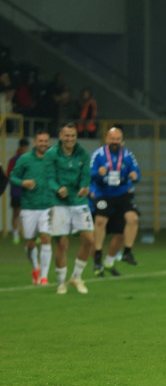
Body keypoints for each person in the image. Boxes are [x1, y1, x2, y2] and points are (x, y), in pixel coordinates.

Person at [43, 123, 93, 295]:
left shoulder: (83, 154)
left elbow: (86, 174)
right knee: (62, 243)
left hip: (79, 201)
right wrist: (58, 188)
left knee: (89, 240)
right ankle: (61, 282)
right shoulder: (51, 154)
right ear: (60, 136)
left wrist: (85, 187)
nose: (69, 139)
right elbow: (49, 177)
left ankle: (76, 277)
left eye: (72, 136)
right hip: (59, 202)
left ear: (76, 137)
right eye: (66, 136)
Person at [90, 128, 141, 271]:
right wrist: (97, 173)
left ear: (122, 141)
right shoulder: (98, 154)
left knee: (133, 219)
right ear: (107, 139)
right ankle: (98, 256)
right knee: (100, 220)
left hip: (122, 194)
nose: (115, 142)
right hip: (103, 193)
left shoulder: (128, 155)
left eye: (117, 139)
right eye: (112, 139)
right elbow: (89, 174)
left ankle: (127, 252)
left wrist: (134, 176)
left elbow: (137, 173)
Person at [8, 130, 53, 285]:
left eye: (46, 141)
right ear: (35, 142)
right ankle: (35, 268)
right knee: (30, 243)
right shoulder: (25, 159)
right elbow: (13, 176)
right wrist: (23, 183)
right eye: (41, 141)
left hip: (46, 206)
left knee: (46, 238)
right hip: (28, 206)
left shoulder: (52, 159)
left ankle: (44, 277)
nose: (43, 144)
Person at [7, 138, 29, 244]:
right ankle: (16, 235)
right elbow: (9, 175)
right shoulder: (14, 160)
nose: (25, 149)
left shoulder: (29, 159)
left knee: (27, 214)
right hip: (16, 191)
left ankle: (28, 234)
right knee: (16, 213)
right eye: (24, 147)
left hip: (27, 192)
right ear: (21, 147)